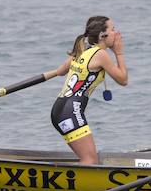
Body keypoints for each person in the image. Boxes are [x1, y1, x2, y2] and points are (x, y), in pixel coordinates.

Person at [51, 16, 128, 164]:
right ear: (102, 36)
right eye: (113, 30)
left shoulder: (83, 50)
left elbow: (60, 71)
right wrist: (119, 53)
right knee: (90, 159)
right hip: (70, 111)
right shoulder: (101, 54)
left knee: (88, 159)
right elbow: (123, 80)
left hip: (59, 109)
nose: (117, 33)